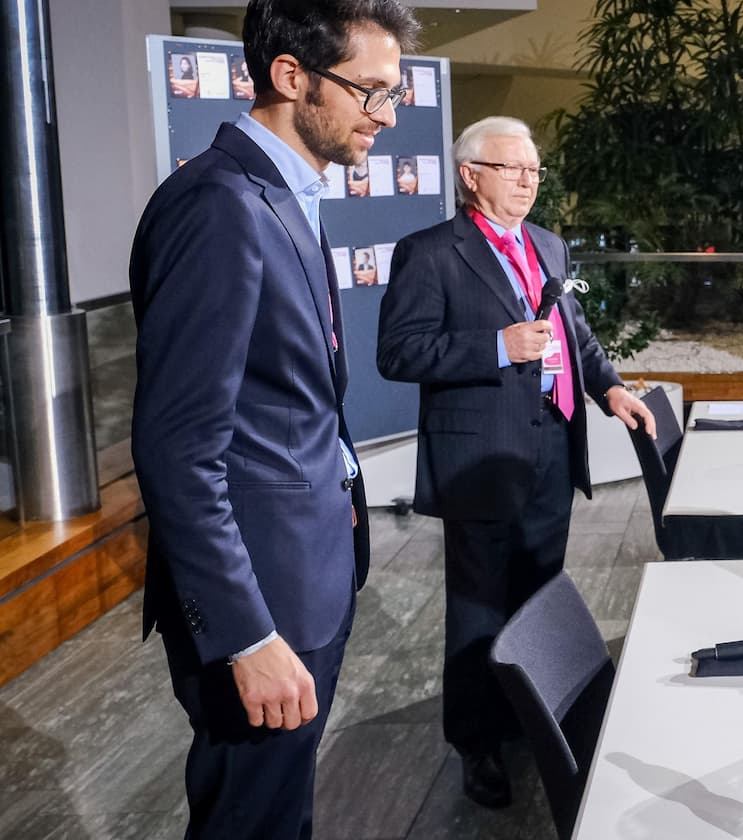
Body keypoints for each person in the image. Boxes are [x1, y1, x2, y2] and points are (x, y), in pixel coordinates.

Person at [128, 2, 418, 837]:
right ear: (291, 76)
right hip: (259, 599)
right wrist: (246, 634)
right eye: (371, 93)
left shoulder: (282, 192)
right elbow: (180, 449)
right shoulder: (219, 205)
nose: (388, 117)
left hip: (304, 568)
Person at [377, 115, 656, 809]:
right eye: (513, 169)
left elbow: (574, 333)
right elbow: (398, 352)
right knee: (478, 609)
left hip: (552, 447)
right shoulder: (431, 252)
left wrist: (611, 388)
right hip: (480, 459)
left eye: (535, 170)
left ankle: (527, 718)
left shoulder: (549, 245)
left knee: (538, 593)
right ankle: (476, 744)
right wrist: (497, 346)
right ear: (472, 176)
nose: (529, 181)